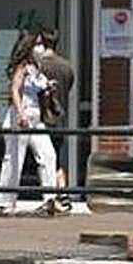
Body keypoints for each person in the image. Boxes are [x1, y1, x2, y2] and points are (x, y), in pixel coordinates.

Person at [0, 31, 61, 217]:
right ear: (29, 46)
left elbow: (39, 89)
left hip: (36, 117)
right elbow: (15, 90)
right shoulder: (22, 66)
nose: (40, 48)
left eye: (42, 44)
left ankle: (49, 199)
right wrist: (21, 112)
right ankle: (6, 203)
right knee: (14, 159)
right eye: (37, 44)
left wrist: (49, 87)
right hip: (21, 117)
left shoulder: (37, 68)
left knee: (48, 154)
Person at [36, 29, 75, 213]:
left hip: (42, 118)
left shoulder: (39, 66)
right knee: (57, 158)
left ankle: (50, 198)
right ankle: (62, 192)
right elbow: (68, 88)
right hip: (59, 118)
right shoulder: (66, 67)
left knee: (44, 159)